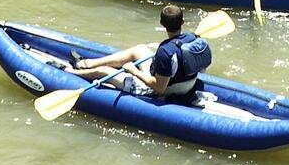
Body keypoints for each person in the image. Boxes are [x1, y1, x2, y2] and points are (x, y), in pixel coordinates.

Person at [65, 7, 212, 103]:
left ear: (162, 23)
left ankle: (69, 71)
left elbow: (159, 88)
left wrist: (133, 71)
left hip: (164, 90)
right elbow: (201, 67)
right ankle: (86, 63)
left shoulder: (165, 52)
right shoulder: (192, 38)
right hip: (187, 83)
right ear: (182, 22)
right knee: (139, 49)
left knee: (104, 72)